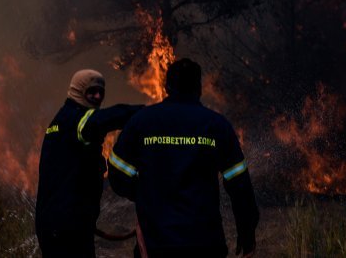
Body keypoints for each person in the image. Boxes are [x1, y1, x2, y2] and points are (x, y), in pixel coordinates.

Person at [108, 59, 259, 258]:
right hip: (205, 243)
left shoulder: (142, 121)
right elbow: (240, 187)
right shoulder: (217, 125)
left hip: (156, 242)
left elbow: (117, 173)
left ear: (167, 86)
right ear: (199, 88)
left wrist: (145, 193)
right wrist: (246, 234)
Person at [35, 69, 143, 258]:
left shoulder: (61, 120)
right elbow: (108, 118)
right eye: (92, 91)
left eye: (101, 92)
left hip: (59, 223)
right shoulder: (76, 120)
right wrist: (152, 113)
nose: (98, 96)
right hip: (67, 227)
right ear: (78, 90)